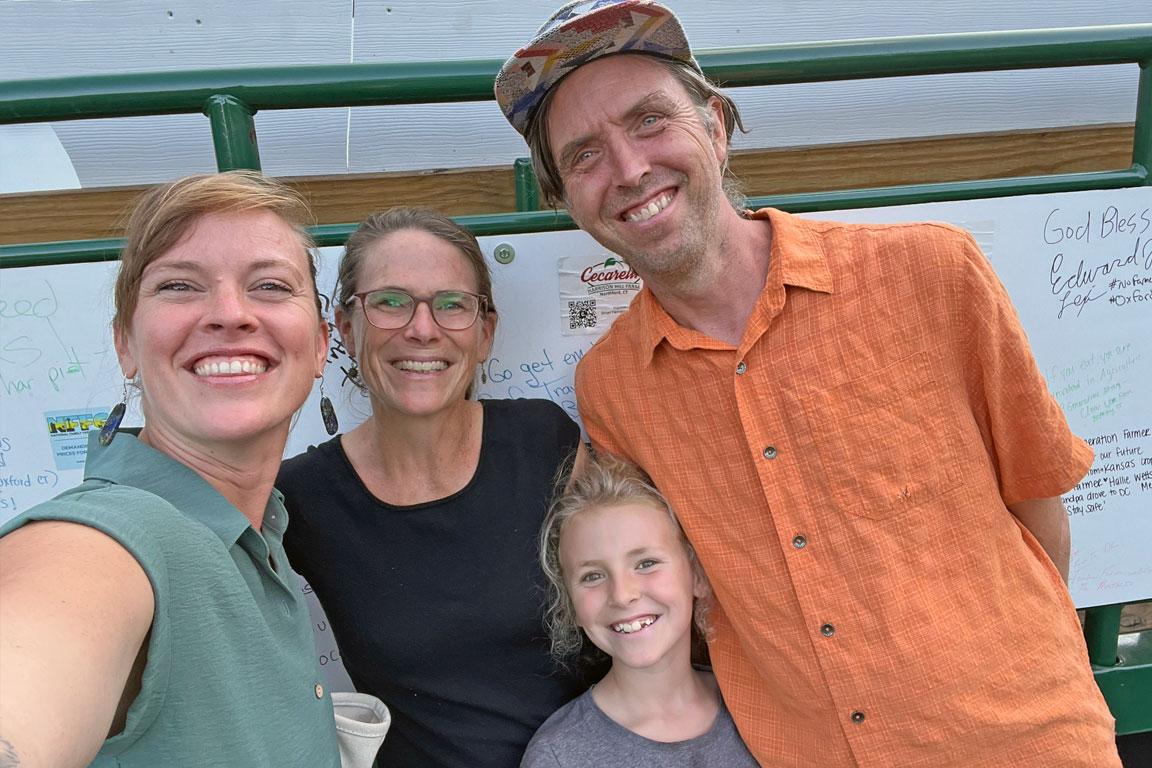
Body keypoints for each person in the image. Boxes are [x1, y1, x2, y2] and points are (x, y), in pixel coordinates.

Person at [495, 1, 1122, 766]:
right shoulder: (615, 387)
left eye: (650, 121)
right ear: (565, 201)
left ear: (717, 126)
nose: (629, 170)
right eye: (585, 155)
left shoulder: (932, 273)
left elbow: (1039, 504)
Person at [0, 171, 342, 767]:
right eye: (180, 286)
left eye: (269, 285)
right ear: (125, 345)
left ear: (319, 346)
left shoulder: (264, 533)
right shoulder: (101, 542)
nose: (230, 313)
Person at [277, 207, 597, 768]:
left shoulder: (545, 441)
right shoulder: (300, 498)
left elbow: (639, 612)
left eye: (451, 305)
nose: (422, 329)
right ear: (347, 330)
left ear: (484, 333)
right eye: (390, 302)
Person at [522, 453, 758, 768]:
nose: (622, 595)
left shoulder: (756, 708)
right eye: (592, 576)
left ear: (697, 575)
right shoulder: (559, 756)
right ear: (571, 604)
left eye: (646, 563)